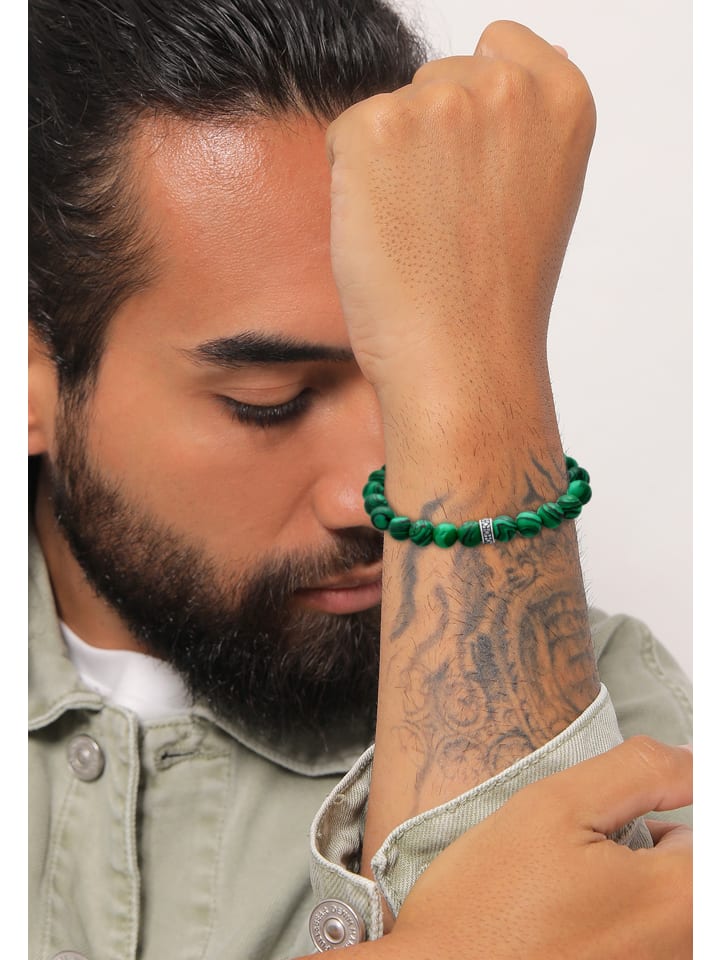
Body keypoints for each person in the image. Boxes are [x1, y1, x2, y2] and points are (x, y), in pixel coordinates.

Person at [28, 1, 692, 958]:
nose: (370, 499)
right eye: (270, 401)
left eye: (402, 393)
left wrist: (476, 355)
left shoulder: (612, 712)